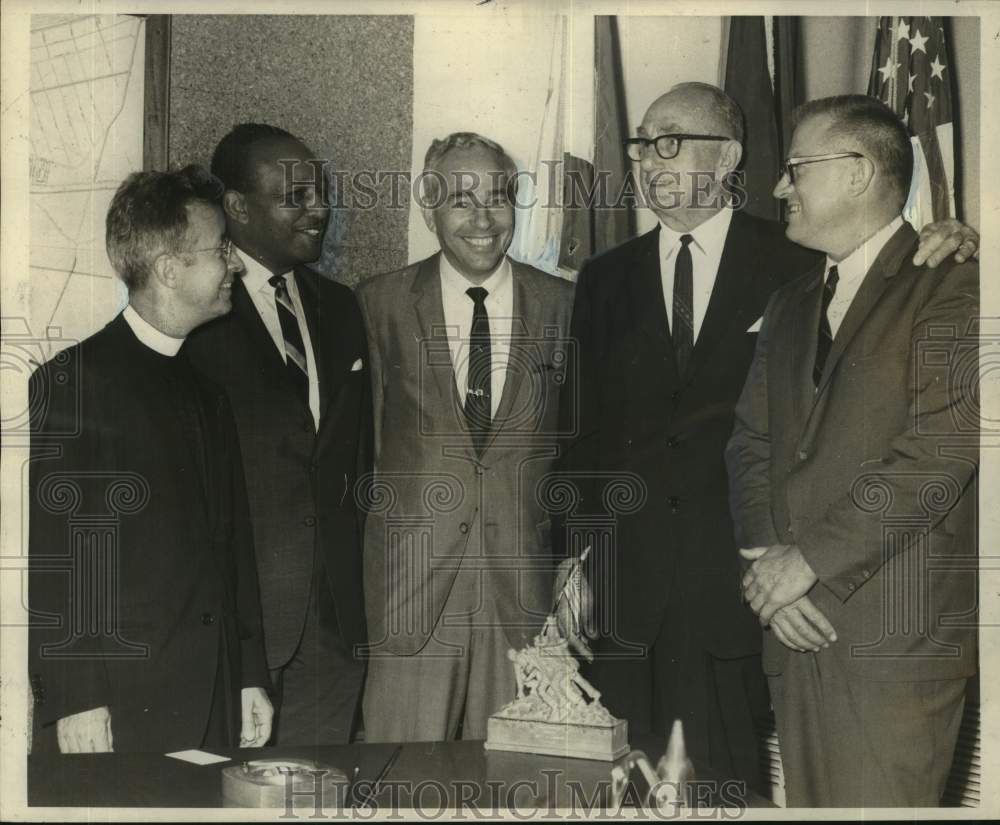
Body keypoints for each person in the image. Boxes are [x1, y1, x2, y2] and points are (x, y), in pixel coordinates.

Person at [559, 81, 979, 791]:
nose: (646, 161)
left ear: (727, 157)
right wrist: (576, 556)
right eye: (639, 146)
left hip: (771, 607)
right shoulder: (609, 278)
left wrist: (794, 566)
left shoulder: (807, 260)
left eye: (669, 142)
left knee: (735, 788)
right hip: (661, 597)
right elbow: (616, 436)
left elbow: (940, 443)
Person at [726, 94, 978, 807]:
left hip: (893, 646)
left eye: (796, 168)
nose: (779, 187)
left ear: (860, 173)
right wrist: (767, 569)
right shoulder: (792, 302)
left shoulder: (958, 285)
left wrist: (806, 562)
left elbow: (940, 453)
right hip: (795, 630)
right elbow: (750, 442)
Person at [28, 166, 272, 753]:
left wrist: (249, 676)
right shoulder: (72, 383)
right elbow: (58, 560)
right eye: (221, 250)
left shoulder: (209, 394)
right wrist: (77, 698)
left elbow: (233, 550)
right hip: (118, 709)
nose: (235, 265)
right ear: (169, 269)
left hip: (214, 698)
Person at [357, 132, 586, 742]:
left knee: (516, 782)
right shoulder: (378, 304)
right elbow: (368, 450)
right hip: (413, 593)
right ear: (428, 206)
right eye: (461, 199)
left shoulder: (564, 304)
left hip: (523, 592)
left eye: (498, 197)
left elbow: (577, 454)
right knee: (398, 780)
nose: (483, 219)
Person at [184, 124, 370, 746]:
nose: (318, 208)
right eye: (294, 195)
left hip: (333, 629)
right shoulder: (192, 318)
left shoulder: (342, 307)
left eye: (319, 190)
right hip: (237, 630)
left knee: (318, 797)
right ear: (236, 208)